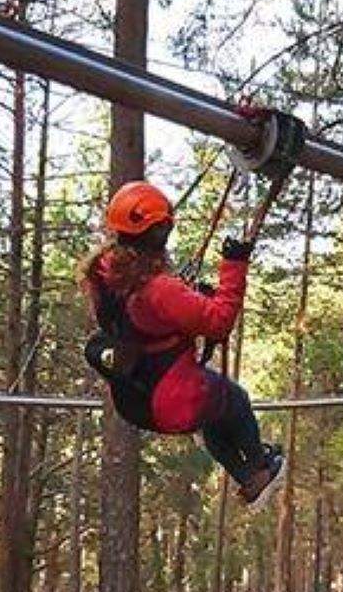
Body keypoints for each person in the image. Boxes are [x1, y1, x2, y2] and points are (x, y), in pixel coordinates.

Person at [82, 180, 285, 509]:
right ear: (160, 233)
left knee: (212, 416)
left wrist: (190, 300)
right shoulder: (157, 289)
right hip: (168, 397)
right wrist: (234, 265)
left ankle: (248, 477)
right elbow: (220, 321)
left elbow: (148, 320)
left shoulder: (107, 274)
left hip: (135, 397)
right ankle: (259, 467)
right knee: (235, 400)